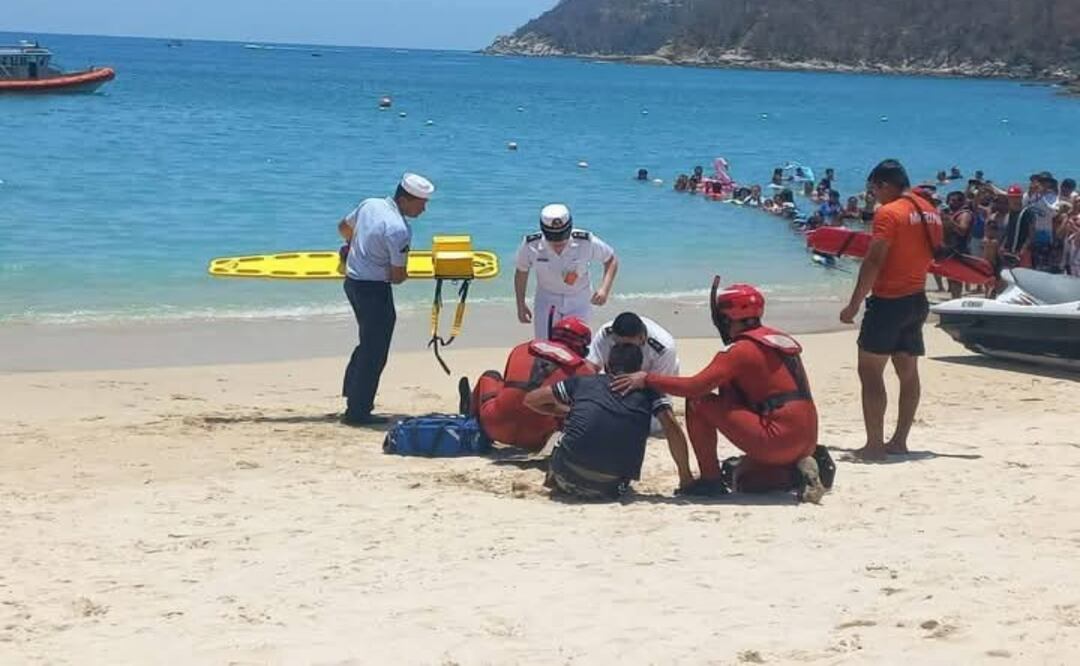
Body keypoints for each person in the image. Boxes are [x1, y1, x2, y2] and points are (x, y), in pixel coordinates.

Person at [612, 280, 827, 503]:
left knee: (697, 401)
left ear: (725, 319)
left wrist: (647, 378)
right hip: (806, 437)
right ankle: (797, 468)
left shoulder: (739, 351)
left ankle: (710, 480)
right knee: (746, 480)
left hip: (777, 438)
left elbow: (695, 387)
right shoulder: (777, 340)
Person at [839, 159, 943, 461]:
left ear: (884, 185)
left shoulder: (889, 212)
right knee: (908, 373)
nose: (874, 197)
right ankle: (899, 441)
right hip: (917, 300)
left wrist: (854, 304)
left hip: (888, 302)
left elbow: (874, 261)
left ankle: (873, 447)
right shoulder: (929, 211)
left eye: (873, 190)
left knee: (870, 371)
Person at [525, 343, 694, 501]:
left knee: (560, 435)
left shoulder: (583, 382)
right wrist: (685, 477)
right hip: (611, 488)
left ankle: (551, 480)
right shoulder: (650, 393)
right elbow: (672, 428)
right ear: (638, 369)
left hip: (566, 477)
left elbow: (531, 400)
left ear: (607, 365)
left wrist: (567, 412)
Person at [338, 173, 434, 425]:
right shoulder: (399, 229)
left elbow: (343, 229)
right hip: (374, 291)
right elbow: (397, 276)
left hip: (352, 283)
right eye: (420, 203)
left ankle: (352, 392)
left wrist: (356, 249)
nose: (424, 209)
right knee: (375, 351)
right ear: (404, 200)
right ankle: (357, 412)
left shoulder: (370, 204)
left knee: (367, 342)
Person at [468, 317, 595, 452]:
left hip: (494, 427)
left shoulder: (521, 349)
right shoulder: (584, 370)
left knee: (491, 376)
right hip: (536, 439)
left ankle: (471, 421)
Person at [515, 203, 619, 340]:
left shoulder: (585, 241)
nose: (558, 242)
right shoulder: (531, 245)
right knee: (544, 345)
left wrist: (604, 289)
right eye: (553, 237)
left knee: (579, 346)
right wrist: (520, 304)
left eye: (562, 236)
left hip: (579, 300)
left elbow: (611, 259)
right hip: (547, 300)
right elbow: (521, 272)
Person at [941, 191, 974, 298]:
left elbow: (963, 231)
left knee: (956, 279)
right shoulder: (951, 213)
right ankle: (954, 299)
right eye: (951, 200)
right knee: (951, 278)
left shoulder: (964, 214)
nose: (953, 203)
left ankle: (956, 300)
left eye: (956, 201)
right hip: (950, 249)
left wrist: (949, 221)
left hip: (959, 249)